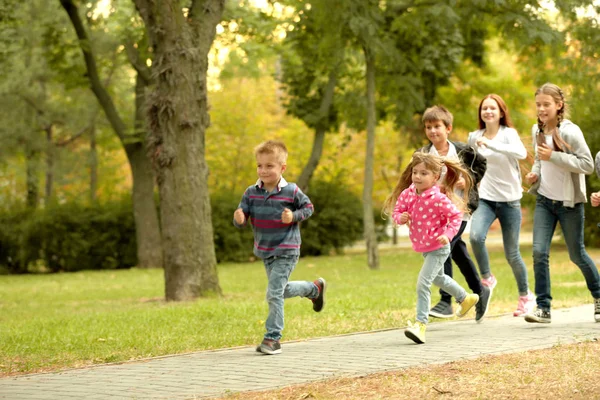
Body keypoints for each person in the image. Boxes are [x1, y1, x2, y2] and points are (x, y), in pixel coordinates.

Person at [233, 140, 326, 354]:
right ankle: (314, 289)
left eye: (269, 166)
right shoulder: (251, 192)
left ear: (282, 168)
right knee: (280, 291)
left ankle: (272, 338)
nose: (263, 170)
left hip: (287, 249)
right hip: (265, 250)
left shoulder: (291, 191)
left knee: (273, 293)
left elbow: (308, 208)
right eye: (259, 166)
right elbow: (242, 216)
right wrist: (239, 218)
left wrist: (293, 216)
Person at [383, 152, 480, 344]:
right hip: (424, 247)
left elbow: (455, 218)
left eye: (424, 173)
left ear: (435, 177)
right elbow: (397, 211)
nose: (417, 176)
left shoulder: (438, 198)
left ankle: (420, 325)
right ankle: (465, 298)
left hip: (439, 246)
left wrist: (448, 235)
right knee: (439, 278)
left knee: (423, 283)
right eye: (415, 172)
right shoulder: (408, 194)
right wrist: (399, 218)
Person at [524, 83, 600, 324]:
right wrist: (535, 173)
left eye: (546, 104)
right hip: (545, 201)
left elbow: (587, 164)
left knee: (577, 255)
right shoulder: (537, 130)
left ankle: (599, 297)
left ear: (559, 105)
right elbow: (539, 159)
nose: (542, 109)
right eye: (538, 104)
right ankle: (543, 307)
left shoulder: (570, 132)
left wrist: (554, 156)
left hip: (569, 204)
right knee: (538, 252)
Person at [417, 105, 491, 323]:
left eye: (437, 126)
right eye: (428, 127)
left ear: (448, 128)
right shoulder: (424, 154)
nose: (433, 131)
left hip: (459, 211)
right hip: (435, 214)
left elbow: (481, 164)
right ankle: (480, 290)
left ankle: (445, 300)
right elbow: (417, 179)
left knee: (442, 247)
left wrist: (468, 179)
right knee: (457, 251)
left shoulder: (461, 150)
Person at [467, 94, 535, 317]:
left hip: (510, 201)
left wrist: (492, 144)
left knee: (512, 254)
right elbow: (468, 163)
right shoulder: (474, 137)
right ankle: (487, 278)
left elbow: (522, 153)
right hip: (485, 198)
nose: (488, 112)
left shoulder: (509, 134)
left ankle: (525, 296)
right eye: (484, 108)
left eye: (492, 108)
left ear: (501, 112)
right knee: (476, 237)